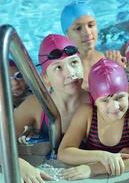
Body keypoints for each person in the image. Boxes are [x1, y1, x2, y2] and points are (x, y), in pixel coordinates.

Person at [57, 58, 129, 180]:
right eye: (105, 100)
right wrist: (103, 156)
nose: (115, 106)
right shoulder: (87, 114)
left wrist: (93, 169)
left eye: (120, 97)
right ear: (95, 101)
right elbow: (64, 152)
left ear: (128, 93)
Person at [14, 34, 90, 182]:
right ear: (46, 78)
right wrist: (17, 163)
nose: (70, 73)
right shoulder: (36, 105)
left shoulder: (100, 101)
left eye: (74, 62)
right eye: (58, 68)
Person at [61, 0, 125, 90]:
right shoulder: (62, 71)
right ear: (66, 35)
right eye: (78, 28)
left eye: (91, 25)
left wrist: (119, 72)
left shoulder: (111, 60)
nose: (87, 33)